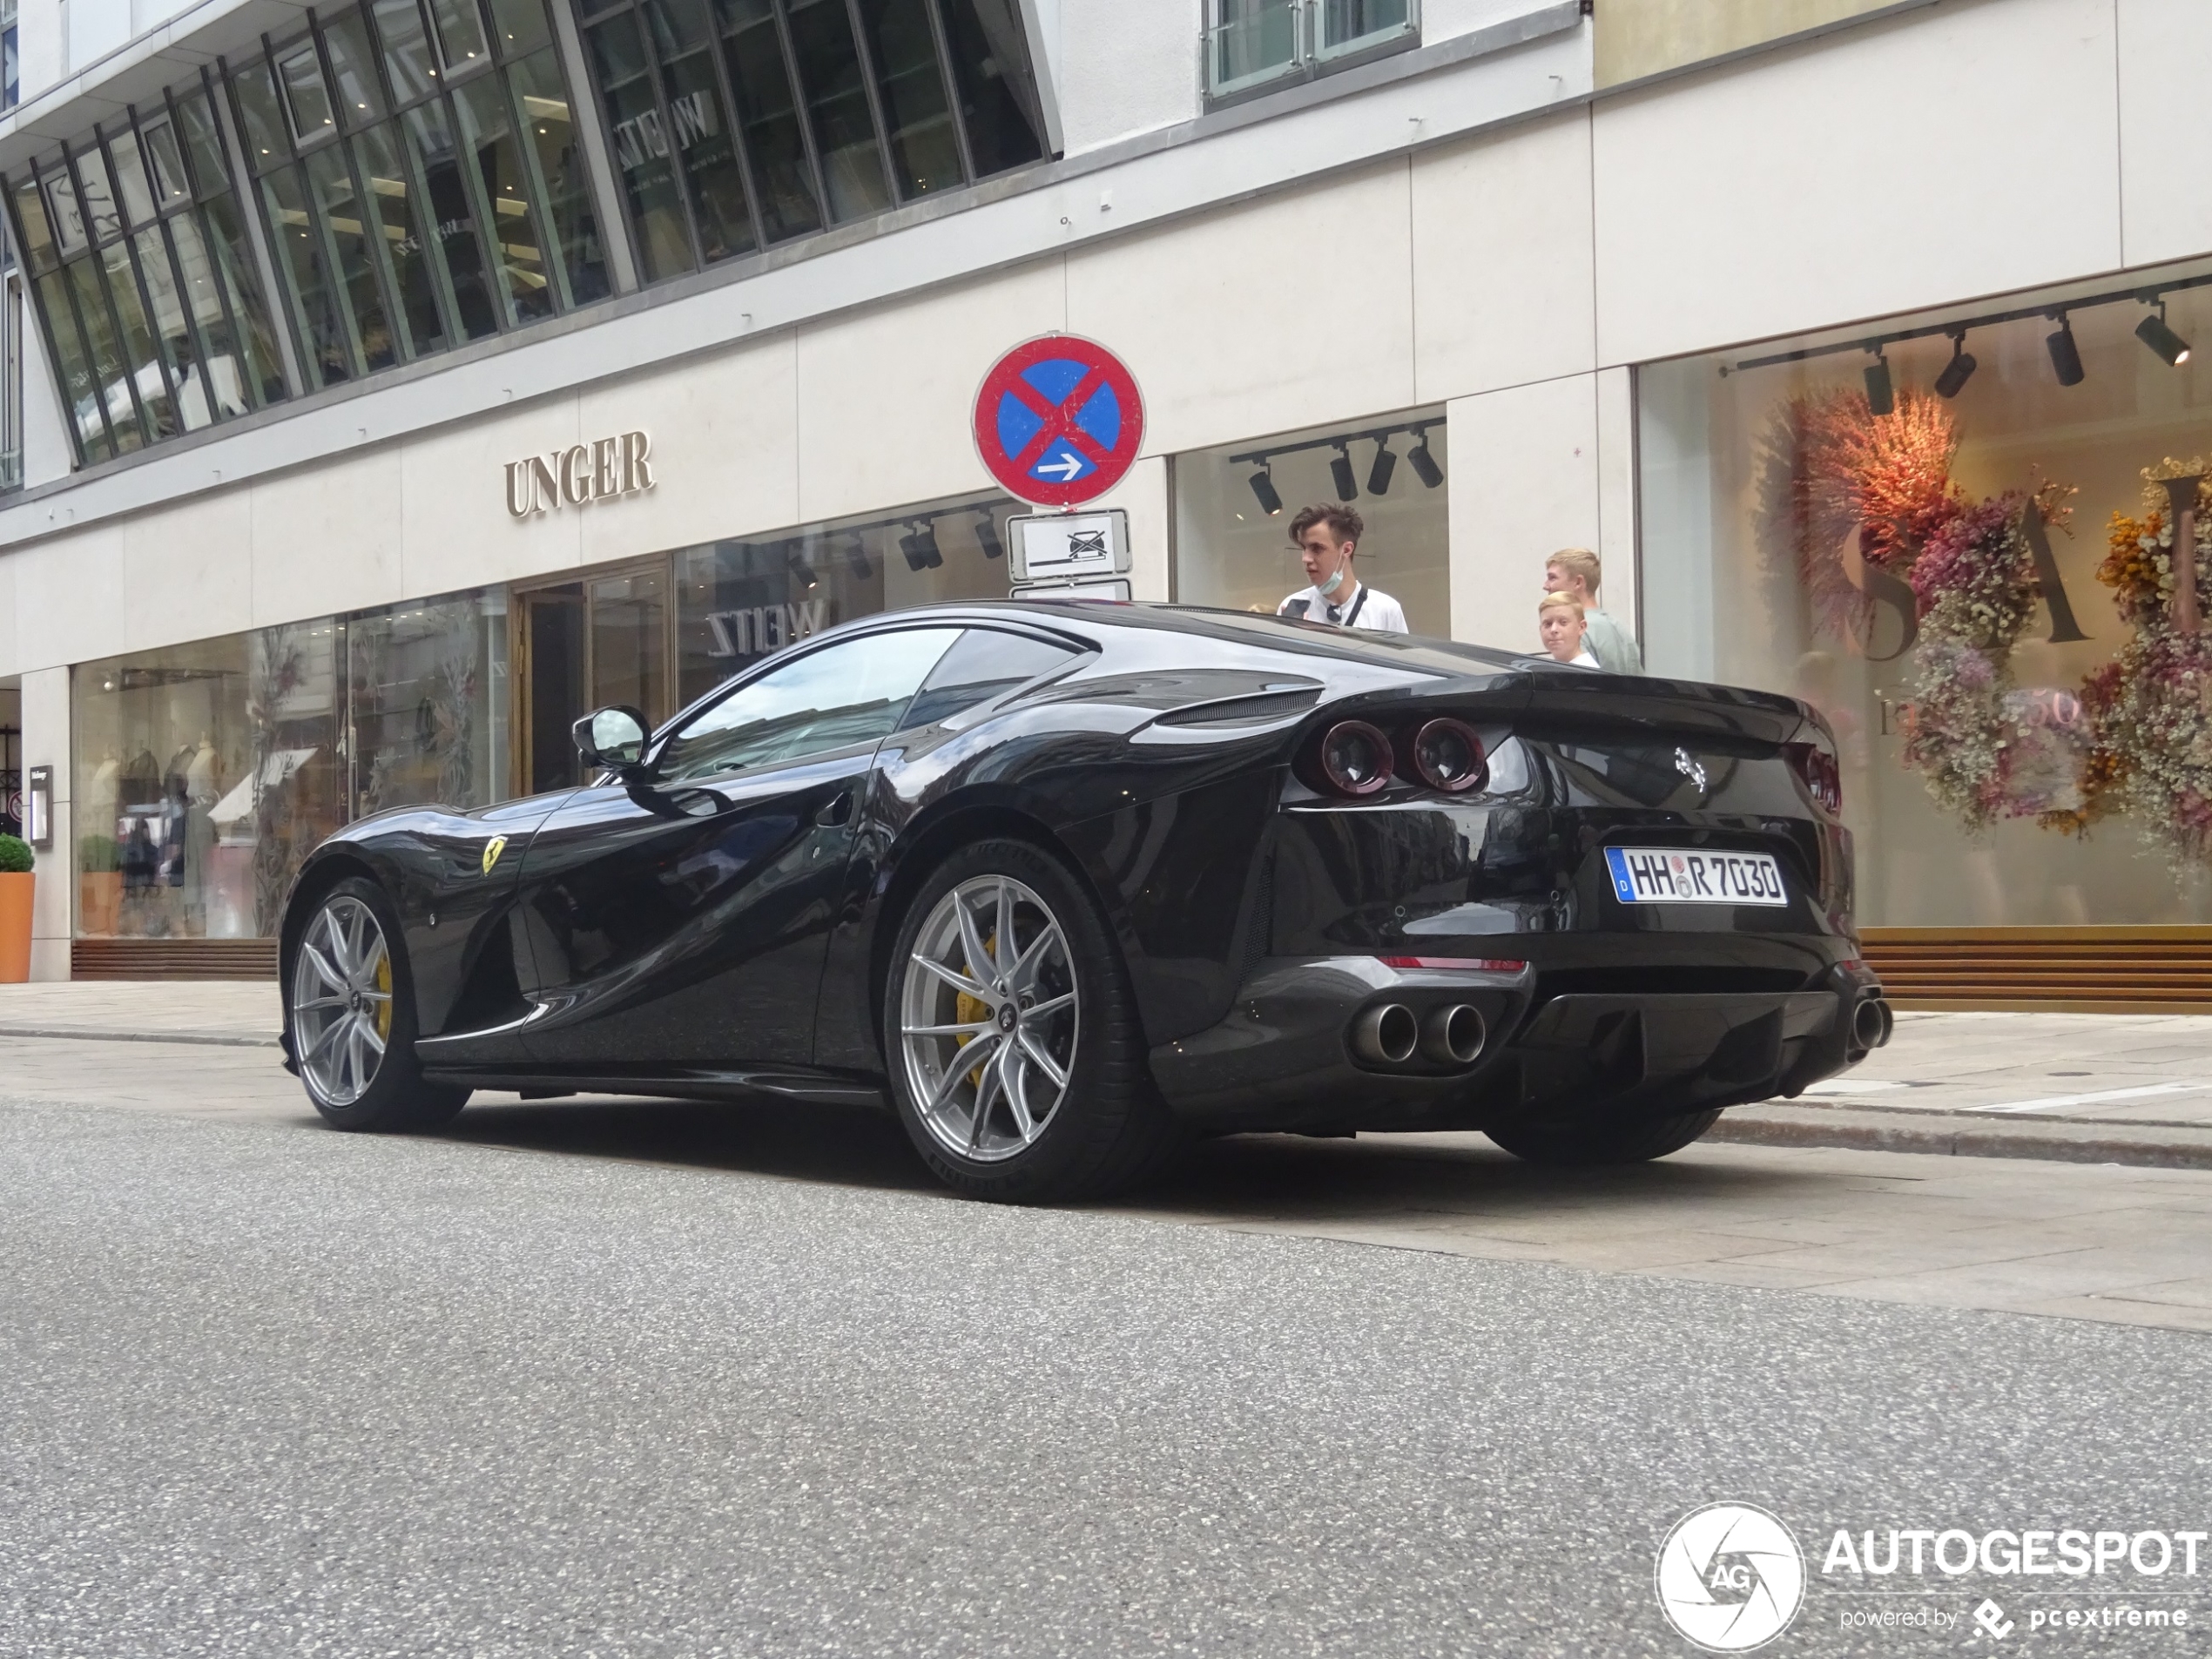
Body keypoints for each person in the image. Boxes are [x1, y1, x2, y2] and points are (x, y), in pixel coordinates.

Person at [1278, 503, 1408, 633]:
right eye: (1304, 548)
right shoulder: (1294, 608)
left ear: (1346, 550)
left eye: (1317, 548)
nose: (1306, 558)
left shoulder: (1385, 610)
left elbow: (1402, 655)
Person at [1543, 548, 1642, 673]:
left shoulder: (1576, 630)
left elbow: (1575, 688)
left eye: (1552, 578)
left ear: (1578, 582)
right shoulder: (1621, 629)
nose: (1545, 585)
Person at [1539, 591, 1599, 666]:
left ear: (1581, 627)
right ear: (1540, 629)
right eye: (1548, 624)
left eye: (1563, 622)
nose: (1553, 629)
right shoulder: (1552, 669)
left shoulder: (1589, 673)